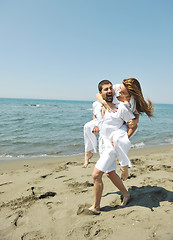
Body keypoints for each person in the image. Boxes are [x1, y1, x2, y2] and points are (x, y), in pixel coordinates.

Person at [88, 79, 153, 213]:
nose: (116, 91)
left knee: (96, 175)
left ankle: (96, 207)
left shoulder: (125, 105)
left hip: (113, 144)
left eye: (121, 91)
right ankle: (126, 194)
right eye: (109, 89)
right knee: (110, 173)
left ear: (129, 93)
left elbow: (134, 123)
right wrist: (96, 125)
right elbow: (98, 99)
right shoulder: (106, 100)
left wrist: (121, 140)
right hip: (103, 142)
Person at [83, 80, 139, 180]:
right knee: (87, 126)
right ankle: (88, 152)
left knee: (118, 139)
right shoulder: (115, 90)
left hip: (123, 126)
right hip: (106, 134)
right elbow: (98, 95)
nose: (118, 93)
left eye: (123, 93)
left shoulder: (130, 103)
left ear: (130, 94)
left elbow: (135, 117)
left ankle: (125, 166)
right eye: (119, 90)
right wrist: (97, 125)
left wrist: (135, 121)